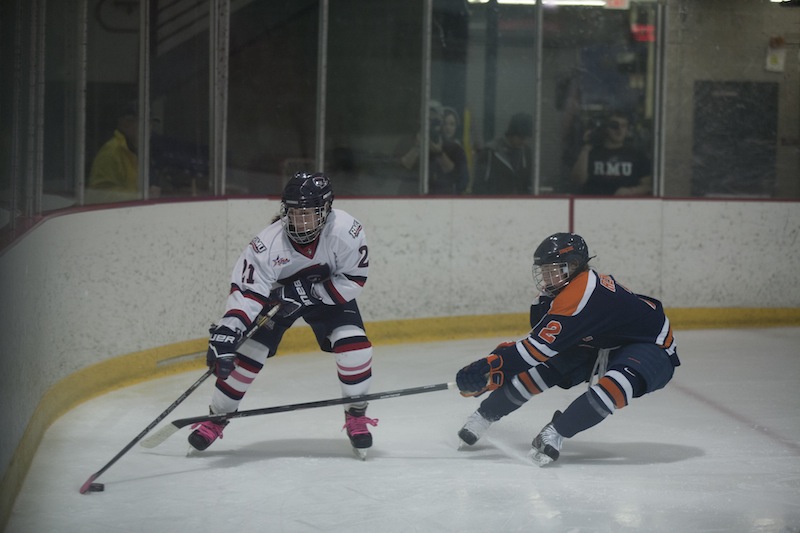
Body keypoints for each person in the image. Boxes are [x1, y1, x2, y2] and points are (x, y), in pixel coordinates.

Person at [190, 172, 378, 459]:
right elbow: (249, 292)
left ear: (326, 210)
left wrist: (312, 293)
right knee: (245, 358)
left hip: (328, 295)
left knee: (355, 349)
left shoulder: (346, 231)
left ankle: (356, 413)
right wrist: (230, 328)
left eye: (308, 214)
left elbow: (353, 279)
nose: (300, 221)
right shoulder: (267, 245)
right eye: (294, 213)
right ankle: (217, 416)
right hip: (278, 300)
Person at [455, 232, 680, 466]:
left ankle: (556, 433)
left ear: (573, 266)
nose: (545, 276)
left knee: (616, 386)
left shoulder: (581, 292)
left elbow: (534, 351)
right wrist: (495, 368)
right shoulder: (548, 299)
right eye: (543, 270)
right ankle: (484, 415)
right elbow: (537, 351)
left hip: (649, 343)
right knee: (540, 372)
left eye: (552, 269)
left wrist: (491, 365)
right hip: (598, 339)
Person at [87, 102, 160, 202]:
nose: (149, 129)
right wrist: (140, 196)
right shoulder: (112, 152)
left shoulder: (138, 151)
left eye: (150, 124)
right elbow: (100, 195)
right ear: (125, 124)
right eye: (144, 123)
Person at [571, 110, 652, 195]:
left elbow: (648, 186)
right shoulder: (591, 153)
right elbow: (577, 181)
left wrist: (630, 191)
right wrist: (586, 147)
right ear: (606, 128)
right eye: (614, 125)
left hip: (626, 205)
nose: (619, 129)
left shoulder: (637, 155)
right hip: (595, 203)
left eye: (624, 126)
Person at [396, 101, 469, 195]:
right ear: (420, 121)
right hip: (412, 199)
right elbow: (397, 172)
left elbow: (461, 181)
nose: (431, 125)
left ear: (441, 122)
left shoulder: (454, 148)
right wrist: (417, 148)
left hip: (442, 200)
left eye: (435, 121)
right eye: (427, 120)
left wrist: (439, 153)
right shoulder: (407, 142)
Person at [473, 112, 533, 195]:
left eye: (526, 138)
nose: (524, 142)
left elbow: (527, 184)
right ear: (512, 133)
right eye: (521, 138)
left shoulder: (526, 153)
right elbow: (479, 186)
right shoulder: (490, 152)